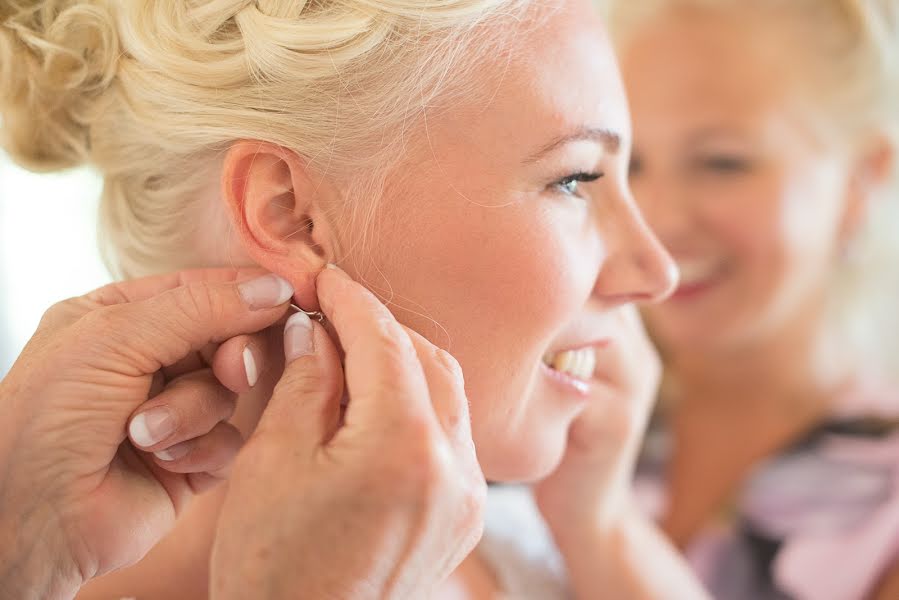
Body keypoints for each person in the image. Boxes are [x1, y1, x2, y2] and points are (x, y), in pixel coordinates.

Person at [0, 0, 709, 598]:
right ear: (291, 216)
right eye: (575, 180)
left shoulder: (517, 537)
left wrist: (602, 527)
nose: (653, 272)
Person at [606, 0, 899, 598]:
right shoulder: (550, 421)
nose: (657, 219)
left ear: (861, 179)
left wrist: (599, 534)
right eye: (629, 163)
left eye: (722, 163)